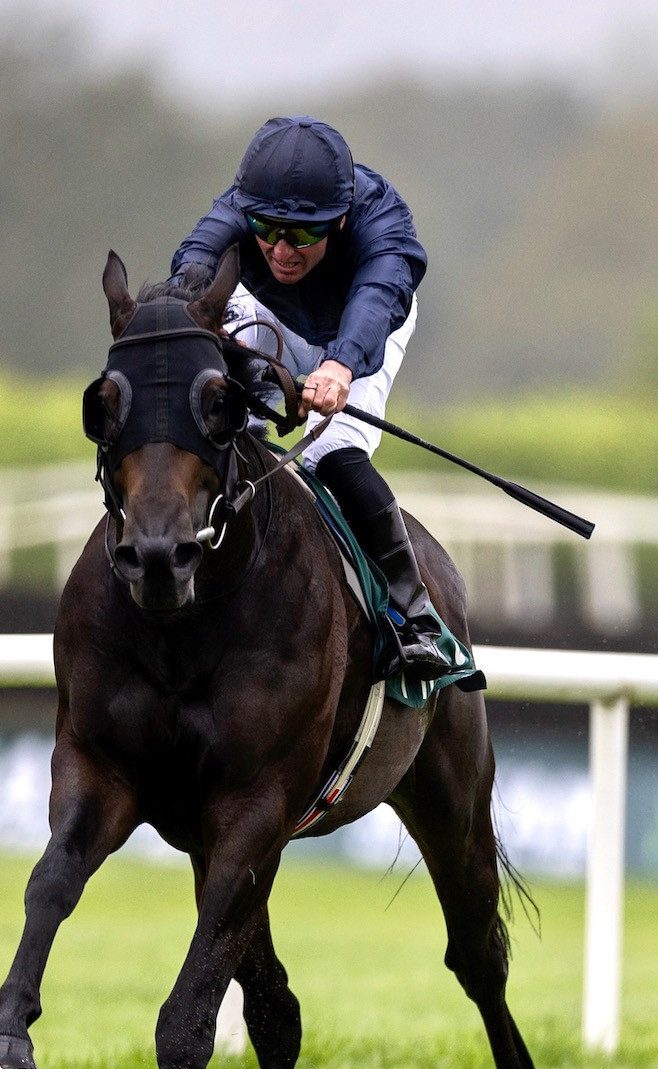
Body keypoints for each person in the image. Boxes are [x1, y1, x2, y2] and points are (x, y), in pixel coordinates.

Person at [171, 115, 450, 681]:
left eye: (302, 235)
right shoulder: (237, 212)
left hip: (365, 324)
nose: (280, 250)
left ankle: (414, 611)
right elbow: (193, 267)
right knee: (224, 423)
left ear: (341, 220)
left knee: (333, 457)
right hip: (269, 310)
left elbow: (377, 296)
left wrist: (341, 364)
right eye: (265, 228)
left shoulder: (384, 229)